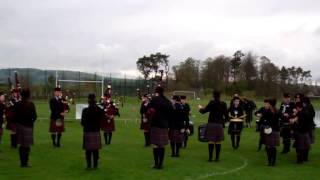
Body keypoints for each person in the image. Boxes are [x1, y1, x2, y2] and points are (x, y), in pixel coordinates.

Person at [199, 90, 228, 162]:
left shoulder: (211, 103)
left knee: (211, 141)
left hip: (211, 124)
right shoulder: (223, 104)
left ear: (213, 95)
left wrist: (200, 108)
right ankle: (217, 158)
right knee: (218, 141)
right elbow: (227, 117)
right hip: (219, 125)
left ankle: (210, 158)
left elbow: (203, 111)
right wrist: (222, 122)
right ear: (220, 95)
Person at [149, 86, 173, 169]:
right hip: (165, 125)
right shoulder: (168, 101)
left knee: (156, 145)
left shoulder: (154, 100)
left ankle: (156, 164)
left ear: (156, 92)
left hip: (156, 125)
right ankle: (161, 164)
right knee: (162, 145)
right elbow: (171, 114)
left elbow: (149, 110)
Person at [14, 89, 37, 167]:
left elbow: (14, 116)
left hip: (19, 126)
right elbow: (35, 116)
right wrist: (31, 122)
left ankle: (22, 163)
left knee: (21, 145)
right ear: (28, 96)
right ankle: (25, 162)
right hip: (28, 126)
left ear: (21, 95)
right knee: (26, 146)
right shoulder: (31, 104)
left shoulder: (17, 104)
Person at [81, 94, 104, 169]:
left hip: (87, 131)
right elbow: (102, 116)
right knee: (95, 150)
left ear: (88, 101)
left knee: (88, 150)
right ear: (95, 101)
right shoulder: (98, 110)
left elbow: (82, 123)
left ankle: (88, 166)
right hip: (96, 131)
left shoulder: (85, 111)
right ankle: (95, 165)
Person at [256, 99, 280, 166]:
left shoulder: (267, 112)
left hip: (269, 130)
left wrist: (259, 120)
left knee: (269, 147)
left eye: (267, 104)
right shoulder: (277, 111)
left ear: (270, 104)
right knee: (273, 147)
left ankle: (270, 161)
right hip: (275, 130)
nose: (266, 105)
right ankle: (273, 162)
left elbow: (261, 119)